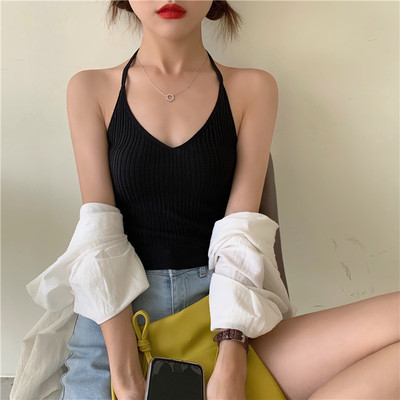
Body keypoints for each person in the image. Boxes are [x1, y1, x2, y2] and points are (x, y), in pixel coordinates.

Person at [43, 1, 399, 400]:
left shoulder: (253, 89)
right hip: (117, 325)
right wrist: (127, 381)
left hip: (223, 312)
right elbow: (99, 236)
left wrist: (231, 363)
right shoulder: (91, 89)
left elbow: (241, 235)